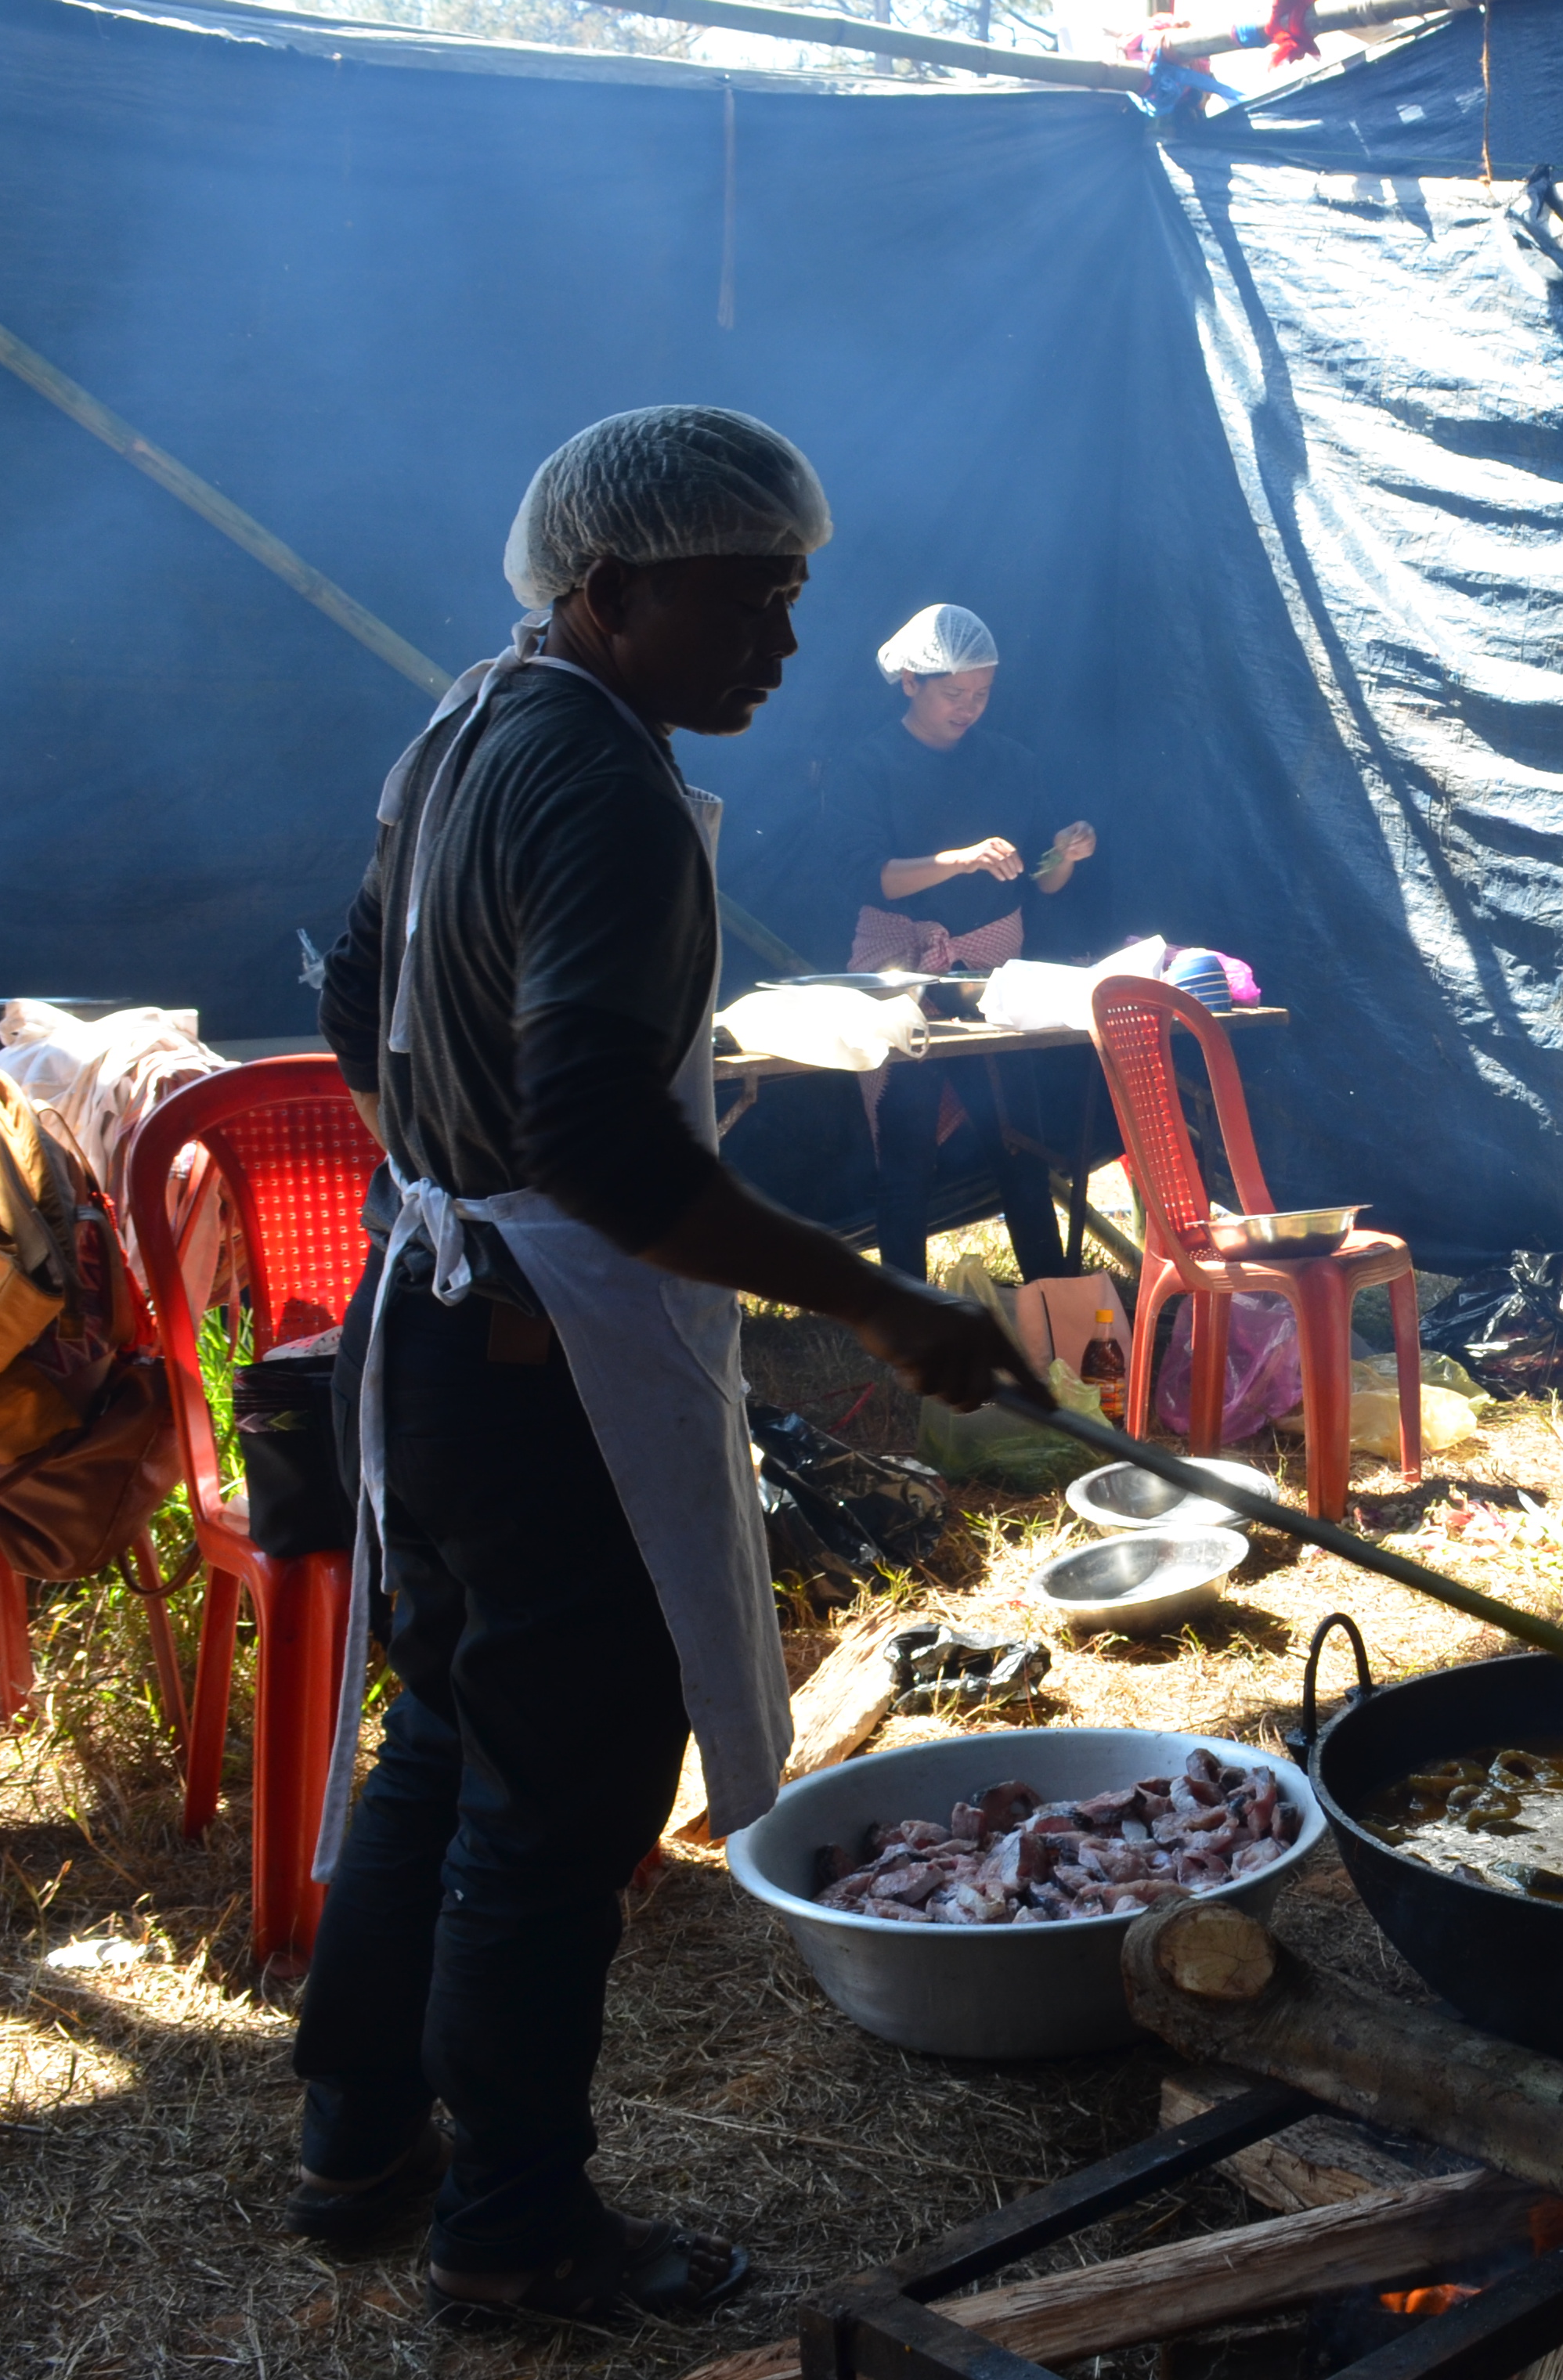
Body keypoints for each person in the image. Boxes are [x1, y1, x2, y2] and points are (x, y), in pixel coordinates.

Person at [301, 407, 1032, 2324]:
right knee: (557, 1813)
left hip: (444, 1315)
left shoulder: (466, 721)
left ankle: (356, 2138)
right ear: (613, 591)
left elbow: (347, 987)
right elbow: (609, 1147)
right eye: (752, 599)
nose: (786, 645)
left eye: (797, 598)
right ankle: (514, 2233)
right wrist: (883, 1301)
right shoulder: (604, 786)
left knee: (449, 1738)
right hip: (539, 1353)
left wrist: (443, 1171)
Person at [820, 602, 1098, 1278]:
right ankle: (911, 1319)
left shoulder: (1011, 762)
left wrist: (1065, 854)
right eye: (954, 693)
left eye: (982, 693)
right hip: (901, 971)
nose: (969, 707)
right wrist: (957, 858)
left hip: (995, 974)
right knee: (907, 1149)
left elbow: (1041, 881)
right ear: (911, 681)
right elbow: (868, 878)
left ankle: (1051, 1313)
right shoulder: (868, 765)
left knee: (1019, 1146)